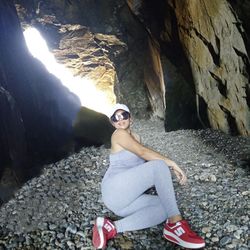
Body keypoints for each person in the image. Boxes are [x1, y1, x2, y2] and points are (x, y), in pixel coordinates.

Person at [92, 103, 205, 249]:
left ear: (130, 118)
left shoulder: (136, 137)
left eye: (123, 115)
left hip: (124, 202)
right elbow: (143, 153)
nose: (119, 120)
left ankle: (111, 227)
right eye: (115, 118)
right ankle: (175, 224)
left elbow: (146, 161)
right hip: (114, 189)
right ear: (113, 123)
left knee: (164, 207)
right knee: (159, 165)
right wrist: (171, 163)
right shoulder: (119, 134)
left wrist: (163, 171)